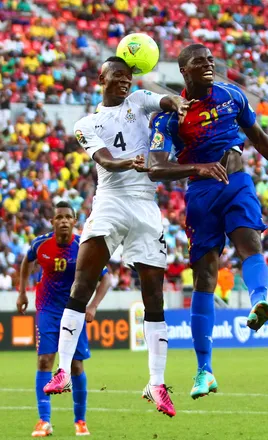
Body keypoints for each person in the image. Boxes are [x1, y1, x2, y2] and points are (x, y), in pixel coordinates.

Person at [148, 44, 268, 399]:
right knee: (205, 275)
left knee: (250, 241)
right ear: (184, 72)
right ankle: (204, 370)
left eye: (210, 60)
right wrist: (197, 167)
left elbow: (259, 137)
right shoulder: (170, 117)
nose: (208, 65)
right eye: (199, 62)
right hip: (201, 194)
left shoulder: (232, 95)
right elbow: (156, 168)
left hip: (237, 182)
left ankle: (259, 301)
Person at [43, 56, 191, 418]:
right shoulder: (87, 123)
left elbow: (164, 102)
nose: (125, 82)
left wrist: (178, 103)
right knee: (83, 284)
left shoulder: (139, 100)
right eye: (118, 77)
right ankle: (62, 370)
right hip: (110, 200)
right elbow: (106, 161)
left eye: (128, 77)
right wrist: (132, 163)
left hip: (144, 203)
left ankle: (156, 384)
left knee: (153, 294)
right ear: (101, 78)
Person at [17, 202, 110, 437]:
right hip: (47, 309)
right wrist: (21, 292)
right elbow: (26, 262)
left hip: (75, 310)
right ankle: (44, 421)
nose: (64, 221)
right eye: (59, 217)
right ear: (52, 222)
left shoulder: (84, 246)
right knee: (45, 361)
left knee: (76, 366)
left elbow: (106, 279)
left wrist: (93, 306)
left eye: (68, 217)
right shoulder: (40, 244)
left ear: (75, 221)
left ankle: (80, 421)